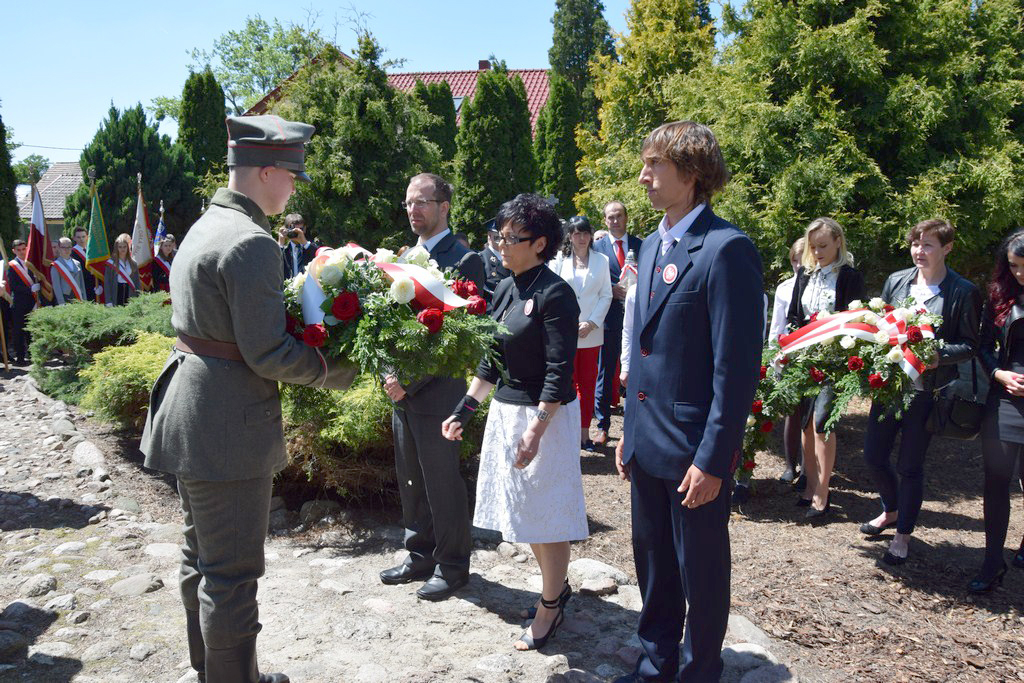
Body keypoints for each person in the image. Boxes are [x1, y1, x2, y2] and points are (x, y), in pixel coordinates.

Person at [140, 114, 356, 683]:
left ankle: (210, 669)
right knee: (232, 573)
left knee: (200, 555)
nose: (292, 190)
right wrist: (337, 370)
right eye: (291, 177)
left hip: (192, 408)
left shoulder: (206, 224)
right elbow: (268, 354)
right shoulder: (252, 241)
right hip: (227, 422)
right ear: (266, 171)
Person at [614, 121, 763, 682]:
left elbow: (736, 369)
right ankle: (656, 664)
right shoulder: (651, 244)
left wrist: (713, 459)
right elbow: (642, 345)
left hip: (694, 451)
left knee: (699, 571)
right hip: (648, 440)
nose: (643, 175)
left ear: (693, 173)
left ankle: (702, 670)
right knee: (652, 563)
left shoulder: (727, 249)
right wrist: (629, 430)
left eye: (655, 164)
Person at [442, 193, 585, 651]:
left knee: (545, 518)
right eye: (498, 235)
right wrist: (464, 410)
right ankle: (554, 590)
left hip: (545, 416)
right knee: (524, 515)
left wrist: (536, 429)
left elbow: (561, 372)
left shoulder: (556, 294)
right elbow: (490, 363)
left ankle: (550, 605)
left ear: (540, 242)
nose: (500, 244)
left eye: (511, 237)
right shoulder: (506, 286)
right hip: (507, 413)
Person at [378, 173, 486, 602]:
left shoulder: (466, 259)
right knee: (410, 480)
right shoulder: (404, 256)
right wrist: (388, 374)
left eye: (422, 202)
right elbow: (383, 325)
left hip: (438, 393)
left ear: (444, 206)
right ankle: (419, 553)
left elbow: (458, 340)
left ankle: (453, 565)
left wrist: (408, 381)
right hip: (399, 394)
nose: (413, 210)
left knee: (442, 482)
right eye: (408, 203)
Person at [860, 219, 981, 565]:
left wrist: (936, 357)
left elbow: (971, 345)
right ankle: (893, 509)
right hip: (889, 390)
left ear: (947, 248)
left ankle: (902, 535)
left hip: (927, 393)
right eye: (915, 243)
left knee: (910, 466)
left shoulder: (963, 291)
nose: (919, 251)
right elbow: (876, 326)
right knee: (873, 456)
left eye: (928, 244)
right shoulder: (897, 281)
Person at [785, 218, 864, 519]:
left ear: (838, 243)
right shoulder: (805, 274)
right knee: (805, 424)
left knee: (822, 424)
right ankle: (809, 485)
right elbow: (794, 315)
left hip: (836, 361)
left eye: (823, 246)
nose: (817, 252)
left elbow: (856, 317)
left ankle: (823, 492)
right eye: (813, 247)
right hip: (804, 359)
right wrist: (794, 342)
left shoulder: (849, 276)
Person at [972, 229, 1024, 591]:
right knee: (996, 479)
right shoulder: (1000, 294)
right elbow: (983, 345)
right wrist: (997, 371)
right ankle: (992, 561)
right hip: (1005, 397)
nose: (1019, 273)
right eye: (1014, 266)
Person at [550, 215, 612, 449]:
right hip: (564, 332)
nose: (582, 238)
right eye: (577, 233)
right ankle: (564, 432)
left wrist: (592, 323)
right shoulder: (558, 261)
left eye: (586, 233)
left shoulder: (602, 260)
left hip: (591, 333)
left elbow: (606, 294)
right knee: (565, 383)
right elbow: (552, 293)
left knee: (587, 385)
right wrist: (568, 322)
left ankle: (584, 433)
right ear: (569, 236)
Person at [592, 201, 643, 446]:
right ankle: (602, 425)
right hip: (609, 318)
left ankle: (634, 425)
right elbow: (591, 281)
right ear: (605, 220)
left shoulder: (642, 245)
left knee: (635, 373)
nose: (615, 220)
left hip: (638, 320)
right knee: (606, 370)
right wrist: (609, 289)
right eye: (610, 217)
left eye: (619, 216)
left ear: (626, 217)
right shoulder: (597, 248)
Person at [768, 238, 806, 484]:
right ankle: (791, 465)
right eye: (794, 260)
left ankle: (811, 469)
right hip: (790, 358)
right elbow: (777, 327)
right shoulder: (784, 288)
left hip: (815, 360)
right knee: (792, 415)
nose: (798, 266)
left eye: (803, 261)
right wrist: (774, 359)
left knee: (813, 420)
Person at [5, 240, 40, 365]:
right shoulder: (12, 265)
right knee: (19, 331)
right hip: (18, 303)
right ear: (14, 251)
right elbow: (13, 286)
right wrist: (30, 289)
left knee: (32, 330)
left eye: (23, 249)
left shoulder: (31, 263)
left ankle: (33, 355)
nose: (21, 252)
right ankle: (20, 357)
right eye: (18, 250)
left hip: (32, 302)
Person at [103, 233, 141, 307]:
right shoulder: (111, 263)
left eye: (124, 247)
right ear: (116, 248)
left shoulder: (133, 263)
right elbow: (107, 284)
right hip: (117, 291)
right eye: (120, 247)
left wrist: (138, 298)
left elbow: (137, 282)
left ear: (128, 248)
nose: (122, 249)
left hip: (130, 292)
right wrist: (108, 301)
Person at [479, 220, 511, 303]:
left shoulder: (512, 257)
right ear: (489, 236)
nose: (502, 240)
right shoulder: (480, 259)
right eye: (498, 237)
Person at [50, 237, 87, 304]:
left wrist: (84, 300)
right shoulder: (56, 265)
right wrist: (61, 303)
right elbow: (56, 287)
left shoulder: (77, 263)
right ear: (59, 248)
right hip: (65, 298)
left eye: (69, 247)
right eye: (63, 247)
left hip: (78, 297)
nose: (66, 250)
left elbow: (82, 284)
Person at [281, 213, 318, 279]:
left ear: (305, 229)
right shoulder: (284, 250)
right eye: (292, 229)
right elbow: (274, 264)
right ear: (285, 229)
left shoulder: (311, 247)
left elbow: (318, 255)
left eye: (300, 229)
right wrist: (281, 242)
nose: (297, 232)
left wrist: (305, 243)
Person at [70, 226, 99, 302]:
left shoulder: (92, 251)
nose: (81, 239)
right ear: (74, 238)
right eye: (78, 237)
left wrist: (99, 285)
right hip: (81, 287)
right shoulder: (72, 253)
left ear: (87, 237)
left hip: (94, 286)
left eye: (83, 236)